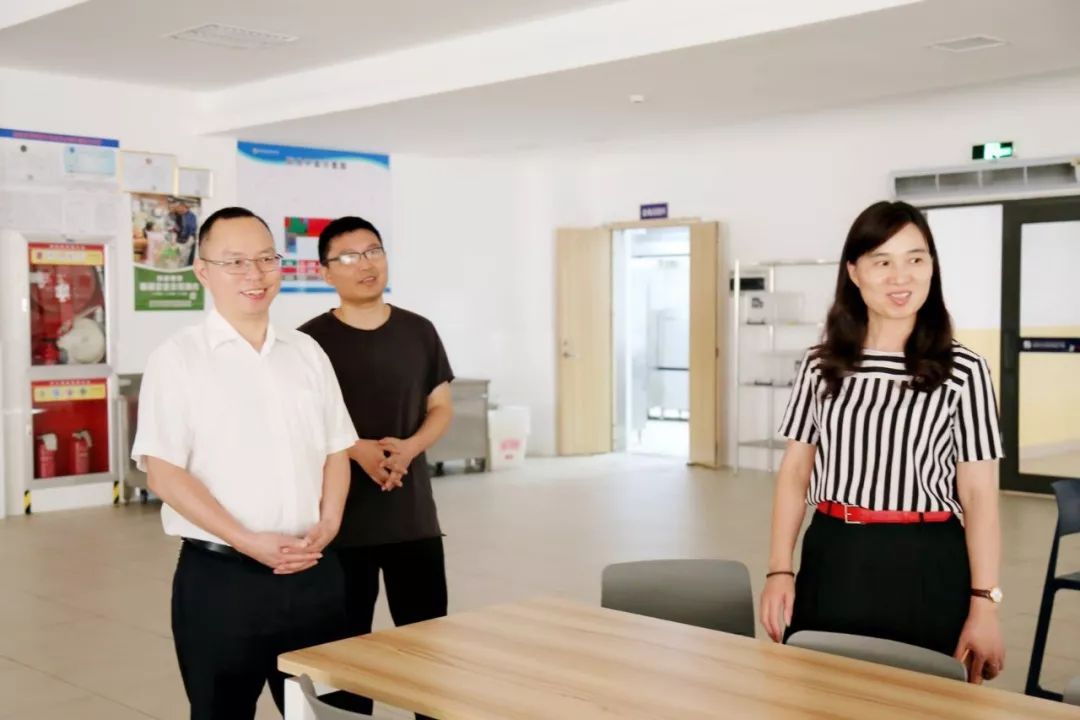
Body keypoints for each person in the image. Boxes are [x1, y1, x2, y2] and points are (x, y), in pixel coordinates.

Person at [759, 200, 1006, 684]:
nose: (901, 277)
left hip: (927, 560)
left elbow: (979, 496)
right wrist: (779, 570)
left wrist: (985, 603)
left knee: (923, 702)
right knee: (821, 694)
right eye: (882, 261)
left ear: (932, 267)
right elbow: (795, 472)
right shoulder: (820, 365)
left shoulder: (965, 371)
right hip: (835, 554)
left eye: (915, 259)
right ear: (854, 272)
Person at [132, 207, 358, 719]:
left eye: (265, 259)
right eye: (234, 262)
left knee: (330, 712)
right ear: (203, 271)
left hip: (314, 571)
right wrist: (246, 540)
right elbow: (163, 471)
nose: (254, 274)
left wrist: (329, 524)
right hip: (223, 580)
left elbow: (336, 448)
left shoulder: (307, 352)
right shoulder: (178, 358)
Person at [298, 216, 453, 717]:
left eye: (373, 251)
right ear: (325, 272)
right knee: (346, 655)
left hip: (412, 518)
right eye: (348, 257)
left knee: (428, 645)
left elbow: (440, 407)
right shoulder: (308, 343)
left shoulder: (418, 331)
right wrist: (355, 448)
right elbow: (301, 424)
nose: (364, 264)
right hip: (341, 524)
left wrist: (410, 448)